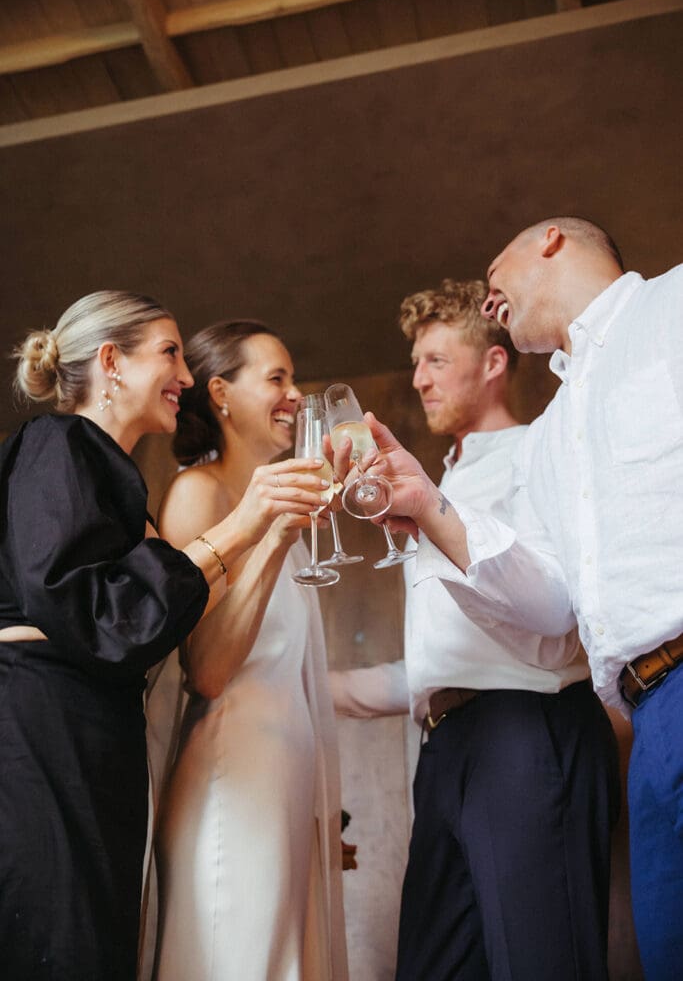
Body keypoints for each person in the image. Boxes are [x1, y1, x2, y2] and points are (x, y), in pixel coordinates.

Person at [341, 219, 683, 981]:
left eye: (437, 358)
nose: (421, 377)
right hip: (608, 708)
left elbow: (545, 644)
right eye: (415, 362)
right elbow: (555, 608)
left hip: (537, 728)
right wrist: (430, 511)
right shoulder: (560, 428)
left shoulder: (669, 311)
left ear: (552, 240)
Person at [0, 291, 326, 981]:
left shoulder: (118, 488)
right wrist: (246, 523)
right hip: (40, 734)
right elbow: (95, 617)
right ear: (112, 362)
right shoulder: (55, 443)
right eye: (170, 352)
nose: (185, 376)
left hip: (92, 743)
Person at [151, 321, 348, 981]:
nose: (294, 394)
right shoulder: (197, 494)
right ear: (222, 395)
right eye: (276, 378)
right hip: (233, 778)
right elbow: (206, 668)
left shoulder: (283, 502)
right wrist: (275, 538)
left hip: (286, 779)